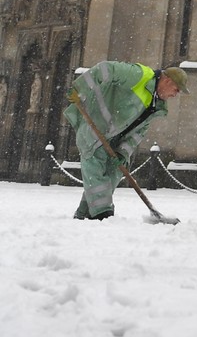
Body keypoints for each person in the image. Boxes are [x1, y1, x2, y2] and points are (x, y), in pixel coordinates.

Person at [63, 60, 189, 220]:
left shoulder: (156, 105)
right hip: (94, 125)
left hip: (115, 139)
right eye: (176, 89)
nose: (175, 94)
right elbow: (106, 68)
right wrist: (79, 89)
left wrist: (123, 154)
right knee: (95, 169)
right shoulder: (138, 75)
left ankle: (83, 214)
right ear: (167, 80)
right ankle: (103, 214)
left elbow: (139, 132)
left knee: (114, 172)